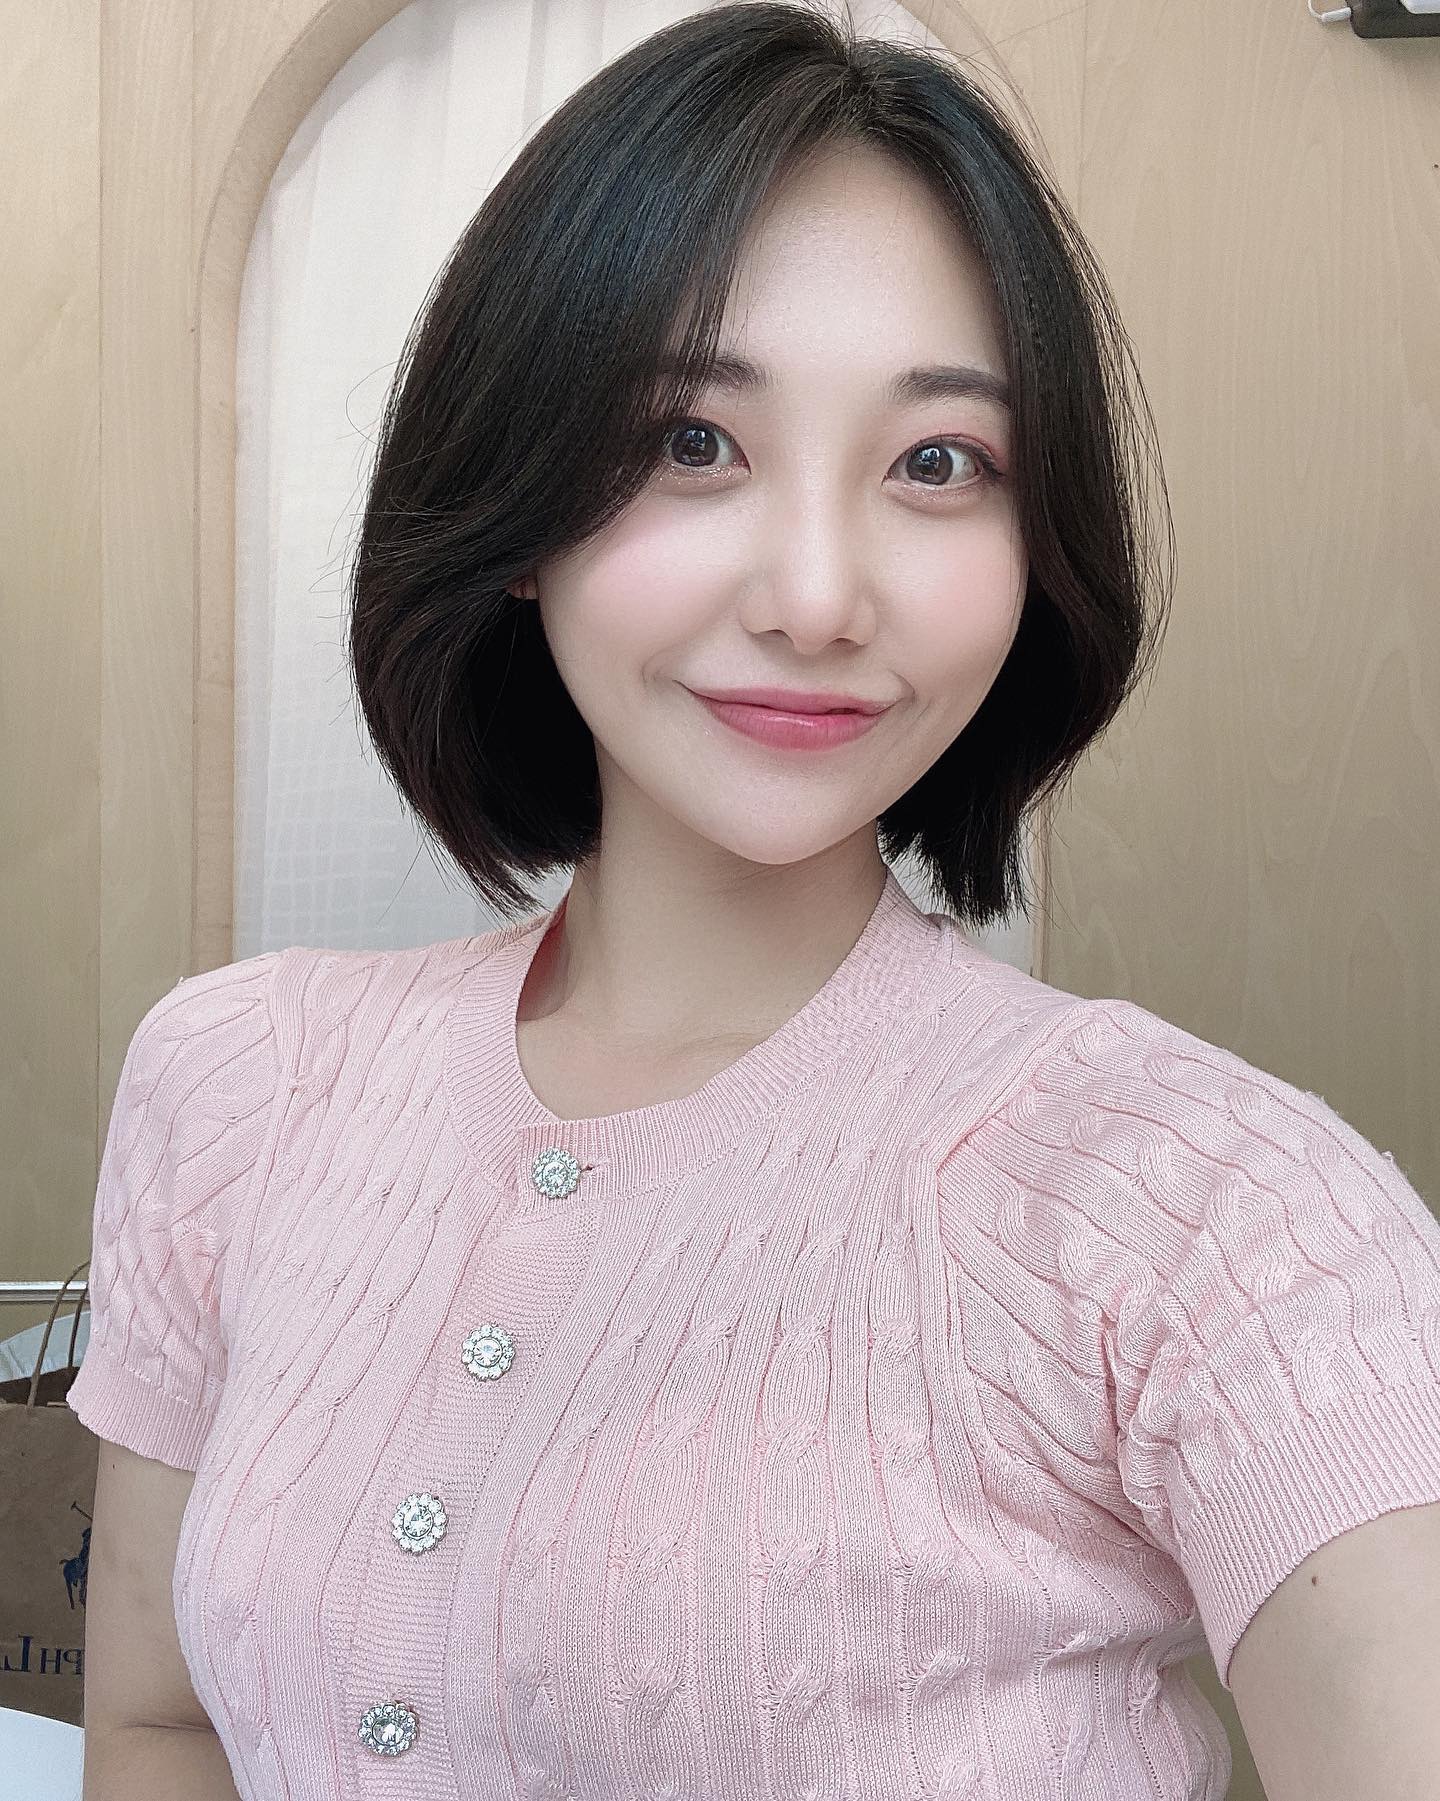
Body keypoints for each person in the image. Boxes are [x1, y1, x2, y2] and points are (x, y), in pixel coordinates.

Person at [70, 3, 1440, 1798]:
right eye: (690, 440)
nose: (815, 595)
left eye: (938, 461)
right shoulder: (239, 1083)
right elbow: (159, 1719)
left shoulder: (1221, 1214)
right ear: (518, 502)